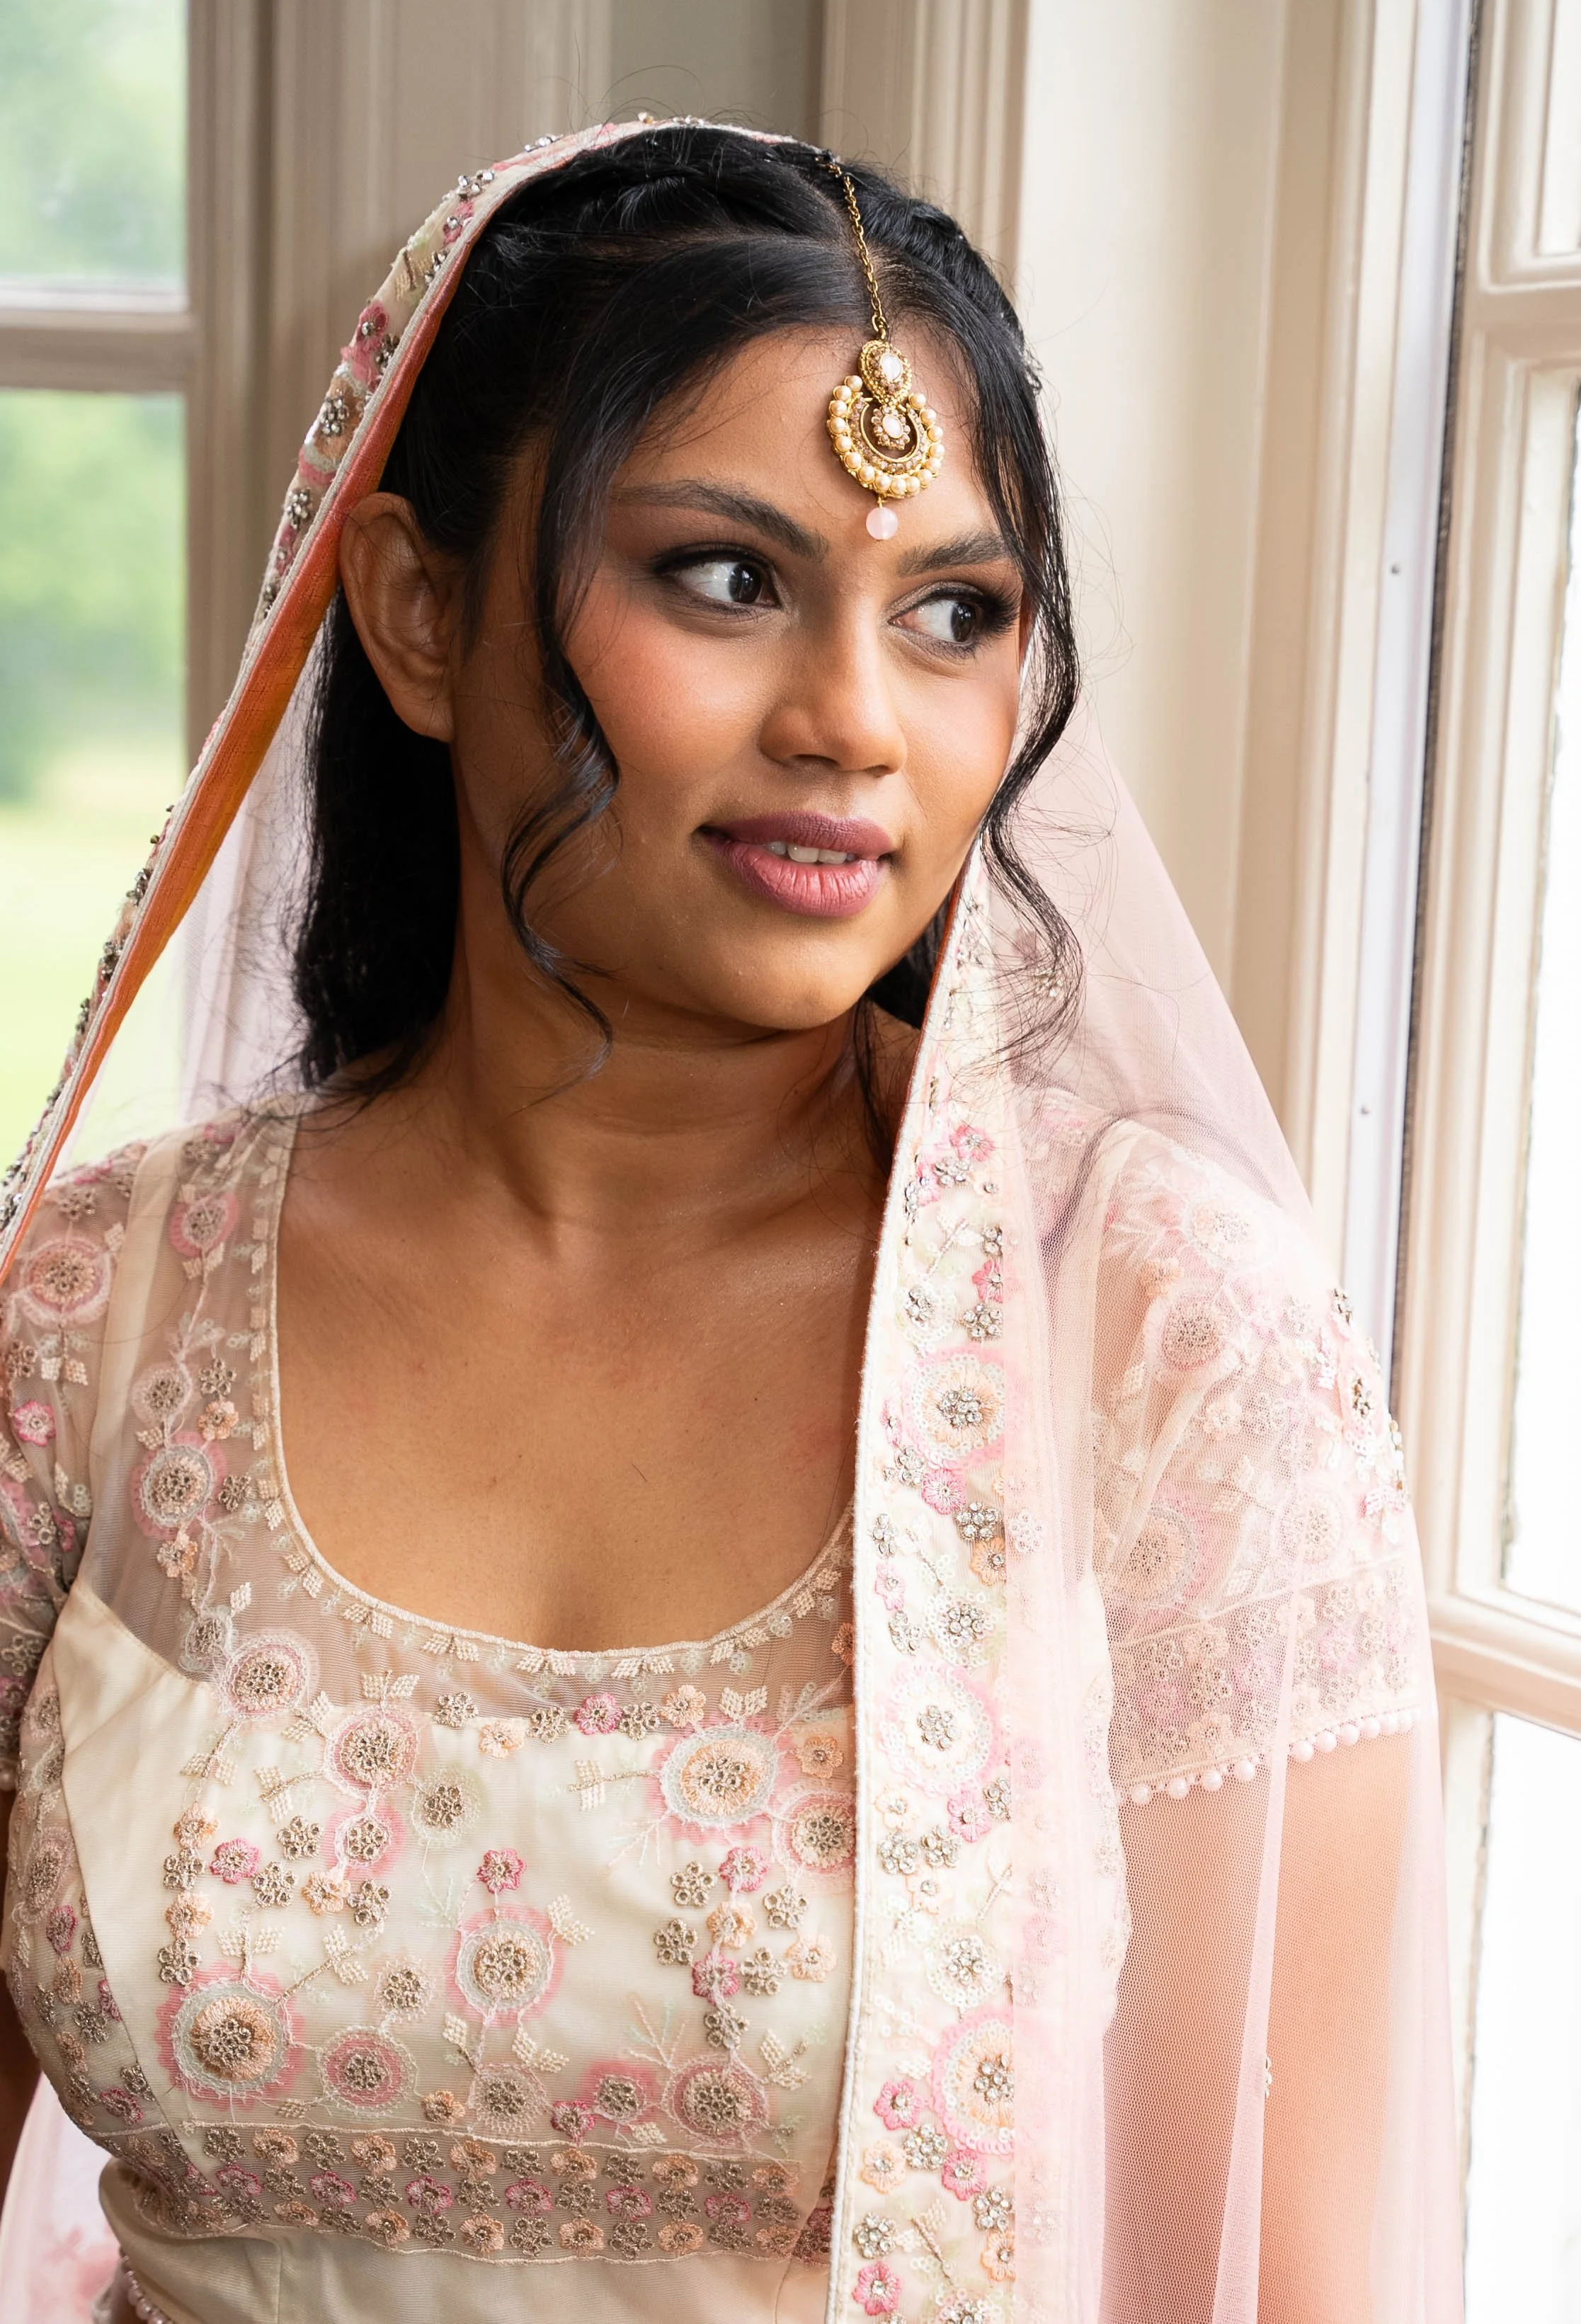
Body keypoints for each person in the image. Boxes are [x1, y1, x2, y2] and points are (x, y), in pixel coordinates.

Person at [0, 120, 1461, 2324]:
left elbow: (1271, 2287)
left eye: (952, 612)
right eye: (724, 577)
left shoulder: (1148, 1343)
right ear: (413, 608)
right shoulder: (94, 1320)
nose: (855, 722)